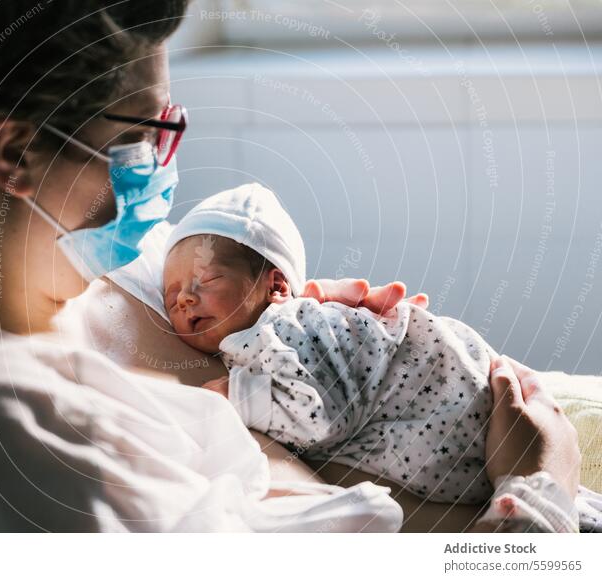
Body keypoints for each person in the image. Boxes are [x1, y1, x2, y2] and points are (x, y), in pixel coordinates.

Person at [0, 0, 580, 532]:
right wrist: (540, 491)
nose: (162, 165)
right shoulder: (49, 470)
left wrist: (292, 309)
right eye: (147, 133)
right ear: (15, 156)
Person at [162, 184, 598, 525]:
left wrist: (237, 396)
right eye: (170, 295)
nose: (183, 300)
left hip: (468, 422)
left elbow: (321, 414)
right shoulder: (251, 343)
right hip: (492, 468)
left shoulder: (286, 326)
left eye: (206, 280)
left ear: (277, 287)